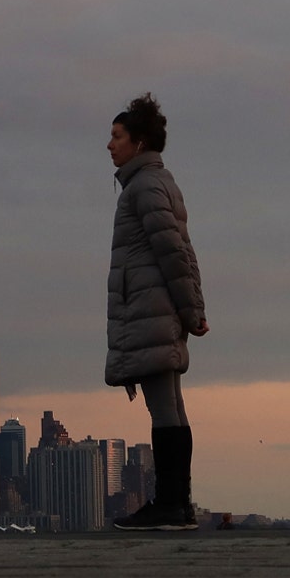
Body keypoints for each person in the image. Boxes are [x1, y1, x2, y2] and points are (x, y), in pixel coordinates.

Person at [104, 92, 208, 531]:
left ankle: (170, 504)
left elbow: (173, 253)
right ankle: (178, 504)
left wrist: (191, 312)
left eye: (117, 136)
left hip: (151, 310)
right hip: (157, 309)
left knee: (164, 411)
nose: (109, 145)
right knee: (171, 409)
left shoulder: (144, 187)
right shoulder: (157, 183)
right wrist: (191, 310)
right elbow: (182, 251)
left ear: (139, 143)